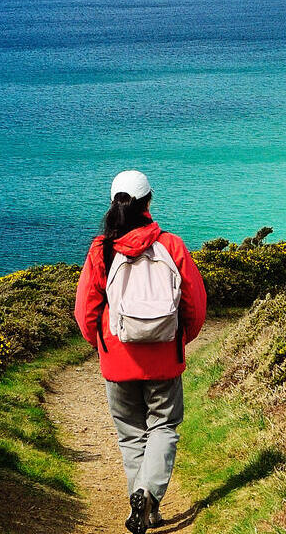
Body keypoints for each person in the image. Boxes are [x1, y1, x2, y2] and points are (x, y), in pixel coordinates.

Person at [74, 170, 207, 534]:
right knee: (163, 426)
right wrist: (180, 339)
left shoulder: (101, 249)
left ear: (113, 202)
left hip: (117, 360)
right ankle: (148, 497)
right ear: (149, 201)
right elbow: (195, 304)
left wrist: (101, 345)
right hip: (164, 358)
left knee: (131, 434)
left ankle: (140, 499)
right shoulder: (172, 245)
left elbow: (85, 311)